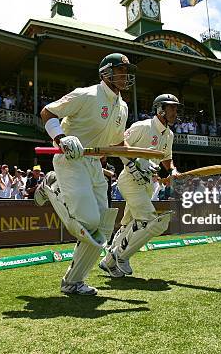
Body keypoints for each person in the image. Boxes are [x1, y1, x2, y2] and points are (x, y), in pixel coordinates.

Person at [36, 52, 134, 295]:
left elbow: (116, 144)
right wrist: (62, 137)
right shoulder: (87, 94)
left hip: (93, 166)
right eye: (120, 71)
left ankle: (72, 282)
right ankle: (52, 184)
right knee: (89, 221)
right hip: (71, 159)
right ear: (105, 73)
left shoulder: (122, 107)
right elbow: (47, 113)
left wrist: (136, 162)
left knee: (102, 227)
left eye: (126, 71)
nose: (125, 75)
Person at [100, 93, 180, 278]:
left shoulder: (169, 134)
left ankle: (108, 262)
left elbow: (166, 159)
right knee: (150, 221)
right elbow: (117, 143)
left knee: (129, 223)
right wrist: (132, 164)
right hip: (129, 179)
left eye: (176, 108)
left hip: (147, 183)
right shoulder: (143, 126)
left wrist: (172, 172)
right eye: (172, 107)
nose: (175, 111)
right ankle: (120, 255)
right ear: (160, 109)